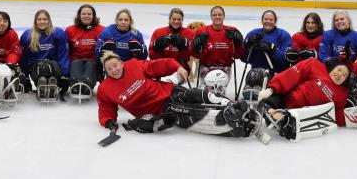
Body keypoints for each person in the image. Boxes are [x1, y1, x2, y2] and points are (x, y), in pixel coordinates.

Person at [97, 52, 255, 138]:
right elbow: (106, 109)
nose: (114, 70)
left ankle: (231, 105)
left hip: (168, 91)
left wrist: (178, 68)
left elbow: (161, 64)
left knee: (195, 94)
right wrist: (108, 121)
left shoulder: (134, 65)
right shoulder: (105, 88)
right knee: (190, 112)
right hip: (159, 110)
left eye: (115, 65)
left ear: (121, 63)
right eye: (109, 69)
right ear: (106, 71)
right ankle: (231, 126)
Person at [190, 6, 245, 94]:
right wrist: (195, 47)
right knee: (208, 92)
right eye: (214, 15)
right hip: (206, 67)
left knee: (218, 91)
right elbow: (195, 55)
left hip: (225, 67)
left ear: (224, 16)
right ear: (211, 17)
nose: (217, 17)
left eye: (220, 14)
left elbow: (237, 56)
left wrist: (238, 43)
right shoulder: (202, 31)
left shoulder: (232, 31)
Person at [19, 9, 70, 100]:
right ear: (35, 21)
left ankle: (52, 83)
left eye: (45, 19)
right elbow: (24, 58)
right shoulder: (27, 35)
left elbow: (63, 55)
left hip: (54, 66)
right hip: (36, 67)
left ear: (49, 20)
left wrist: (65, 76)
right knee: (41, 69)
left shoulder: (58, 33)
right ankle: (42, 83)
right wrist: (25, 77)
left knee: (50, 68)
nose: (42, 22)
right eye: (39, 19)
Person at [65, 4, 105, 98]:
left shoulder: (102, 30)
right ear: (79, 15)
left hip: (93, 61)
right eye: (83, 14)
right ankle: (75, 84)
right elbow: (65, 51)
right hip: (75, 60)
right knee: (76, 63)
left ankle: (87, 85)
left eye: (89, 14)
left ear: (93, 16)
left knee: (91, 64)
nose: (86, 16)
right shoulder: (70, 30)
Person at [241, 10, 292, 76]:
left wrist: (273, 50)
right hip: (256, 73)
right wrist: (247, 45)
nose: (268, 21)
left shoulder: (284, 35)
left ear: (275, 21)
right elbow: (244, 59)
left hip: (277, 74)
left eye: (271, 20)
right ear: (262, 21)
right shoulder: (253, 33)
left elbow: (286, 60)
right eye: (266, 19)